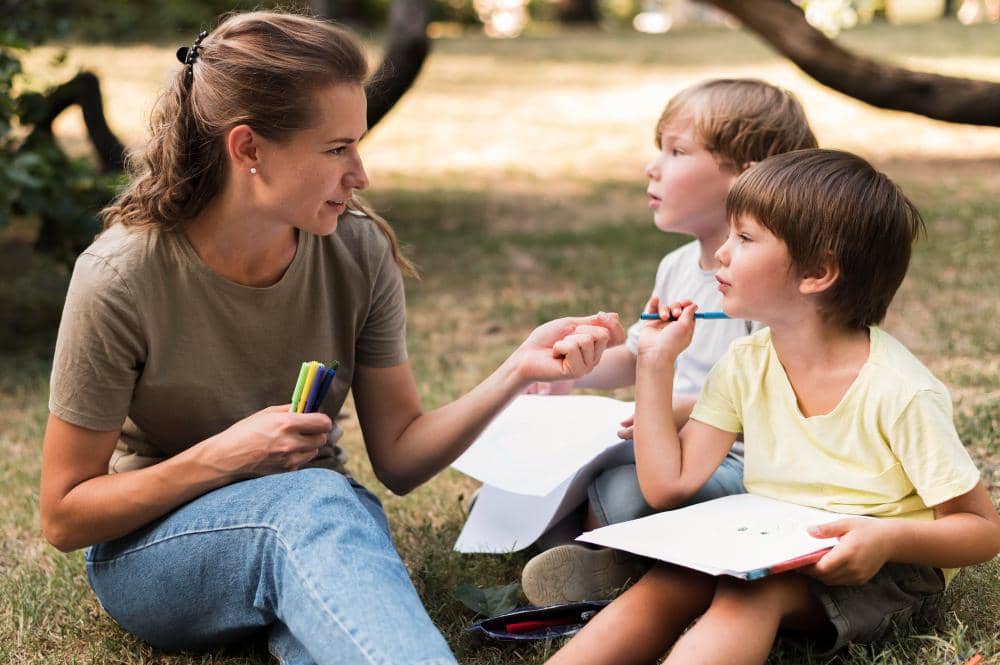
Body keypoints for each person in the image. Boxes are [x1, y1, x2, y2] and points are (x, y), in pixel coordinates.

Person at [37, 11, 625, 665]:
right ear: (248, 149)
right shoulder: (122, 276)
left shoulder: (356, 249)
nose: (361, 174)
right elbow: (65, 515)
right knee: (318, 502)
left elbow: (399, 458)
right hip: (154, 553)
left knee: (328, 561)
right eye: (336, 148)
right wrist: (225, 457)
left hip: (319, 529)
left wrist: (516, 370)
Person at [545, 149, 1000, 665]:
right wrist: (654, 363)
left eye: (743, 238)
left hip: (883, 565)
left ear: (816, 273)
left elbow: (982, 532)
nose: (720, 253)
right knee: (667, 581)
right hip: (771, 542)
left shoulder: (900, 392)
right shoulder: (744, 364)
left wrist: (886, 538)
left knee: (749, 596)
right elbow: (666, 485)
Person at [520, 79, 817, 606]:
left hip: (737, 462)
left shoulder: (767, 282)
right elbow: (639, 353)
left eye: (677, 152)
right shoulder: (677, 266)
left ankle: (607, 564)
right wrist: (572, 368)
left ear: (747, 177)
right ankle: (596, 560)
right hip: (662, 442)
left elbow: (778, 397)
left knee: (621, 493)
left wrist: (670, 412)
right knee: (555, 465)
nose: (652, 167)